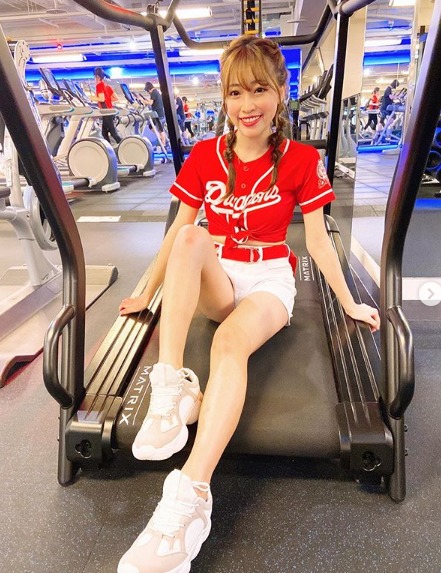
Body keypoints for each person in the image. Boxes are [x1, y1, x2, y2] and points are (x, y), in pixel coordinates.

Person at [117, 35, 380, 573]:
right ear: (225, 99)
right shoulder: (205, 155)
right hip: (221, 270)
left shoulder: (302, 160)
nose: (247, 104)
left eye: (259, 89)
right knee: (191, 236)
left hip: (269, 278)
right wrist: (147, 290)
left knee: (229, 343)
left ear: (281, 93)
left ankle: (191, 494)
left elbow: (319, 241)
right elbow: (177, 234)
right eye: (236, 93)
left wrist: (350, 302)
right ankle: (171, 386)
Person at [91, 67, 122, 145]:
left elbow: (101, 99)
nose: (94, 79)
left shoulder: (99, 85)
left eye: (94, 77)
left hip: (106, 112)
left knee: (113, 133)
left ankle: (124, 146)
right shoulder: (107, 86)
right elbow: (116, 98)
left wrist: (91, 98)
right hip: (109, 111)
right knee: (104, 133)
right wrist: (107, 100)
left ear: (97, 76)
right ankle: (109, 149)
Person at [144, 81, 167, 147]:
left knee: (160, 129)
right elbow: (152, 102)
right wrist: (146, 100)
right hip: (158, 113)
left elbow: (150, 103)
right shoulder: (156, 92)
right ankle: (159, 138)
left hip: (158, 114)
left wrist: (142, 100)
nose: (148, 93)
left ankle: (163, 144)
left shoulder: (153, 92)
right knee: (151, 126)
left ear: (149, 89)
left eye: (147, 91)